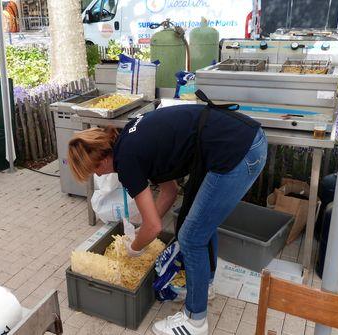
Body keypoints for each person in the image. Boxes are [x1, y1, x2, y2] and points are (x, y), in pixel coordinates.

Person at [68, 90, 267, 335]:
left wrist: (134, 247)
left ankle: (195, 320)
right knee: (200, 225)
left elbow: (154, 227)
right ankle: (206, 286)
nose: (98, 176)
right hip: (245, 139)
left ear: (100, 160)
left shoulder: (127, 161)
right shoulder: (129, 139)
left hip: (237, 151)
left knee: (191, 237)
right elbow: (169, 192)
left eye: (93, 171)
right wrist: (142, 232)